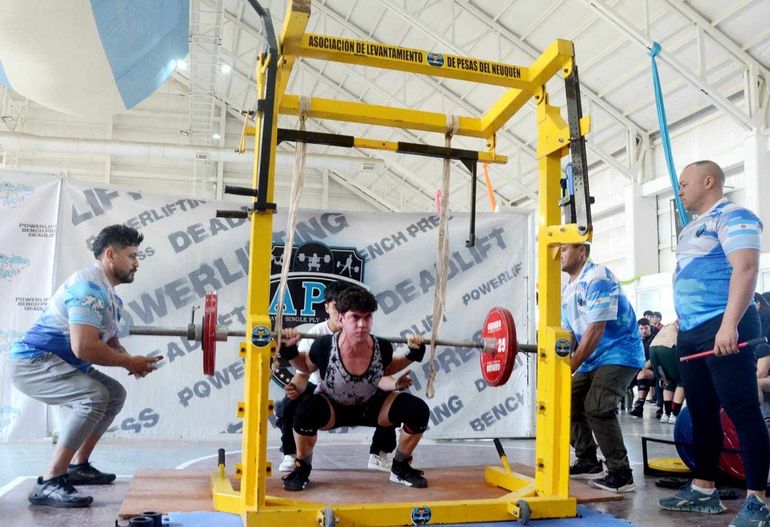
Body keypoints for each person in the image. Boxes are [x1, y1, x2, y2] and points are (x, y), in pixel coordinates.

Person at [7, 225, 162, 508]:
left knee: (114, 393)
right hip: (32, 361)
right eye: (132, 256)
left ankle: (79, 467)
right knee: (94, 396)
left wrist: (131, 363)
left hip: (61, 362)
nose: (137, 263)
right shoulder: (87, 288)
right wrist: (129, 361)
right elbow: (84, 347)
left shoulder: (110, 294)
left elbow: (109, 340)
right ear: (111, 255)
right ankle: (51, 481)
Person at [659, 160, 770, 526]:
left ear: (709, 182)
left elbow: (747, 268)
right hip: (692, 331)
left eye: (684, 183)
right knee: (702, 410)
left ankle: (758, 502)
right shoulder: (691, 228)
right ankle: (704, 491)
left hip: (725, 326)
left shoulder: (734, 215)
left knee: (743, 411)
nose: (679, 190)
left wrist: (729, 324)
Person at [278, 286, 430, 491]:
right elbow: (305, 367)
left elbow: (389, 367)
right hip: (333, 406)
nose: (362, 325)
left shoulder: (381, 347)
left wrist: (412, 354)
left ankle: (400, 467)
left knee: (417, 410)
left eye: (367, 318)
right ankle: (302, 467)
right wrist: (289, 350)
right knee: (304, 411)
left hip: (371, 406)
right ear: (340, 318)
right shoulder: (324, 345)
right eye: (355, 318)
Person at [274, 282, 399, 473]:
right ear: (328, 308)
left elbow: (378, 374)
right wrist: (294, 388)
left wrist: (395, 383)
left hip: (355, 387)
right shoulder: (316, 334)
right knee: (288, 406)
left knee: (390, 400)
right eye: (336, 306)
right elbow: (303, 373)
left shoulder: (363, 334)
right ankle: (291, 454)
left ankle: (379, 453)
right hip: (319, 387)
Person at [561, 242, 645, 493]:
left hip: (620, 353)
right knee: (565, 399)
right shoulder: (567, 289)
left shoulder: (597, 278)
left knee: (597, 407)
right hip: (593, 358)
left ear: (581, 251)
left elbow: (596, 329)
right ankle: (587, 461)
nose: (560, 254)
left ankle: (621, 473)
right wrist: (560, 366)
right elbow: (569, 334)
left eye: (565, 248)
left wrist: (569, 368)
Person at [649, 321, 684, 424]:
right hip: (669, 346)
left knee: (667, 382)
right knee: (682, 381)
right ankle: (675, 414)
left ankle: (666, 413)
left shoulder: (670, 324)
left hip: (653, 348)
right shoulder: (688, 319)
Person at [629, 318, 657, 419]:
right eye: (641, 328)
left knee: (642, 374)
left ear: (650, 327)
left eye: (646, 328)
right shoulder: (635, 340)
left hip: (654, 371)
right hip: (637, 368)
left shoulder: (655, 340)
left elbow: (653, 359)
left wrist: (640, 367)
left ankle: (639, 405)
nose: (644, 331)